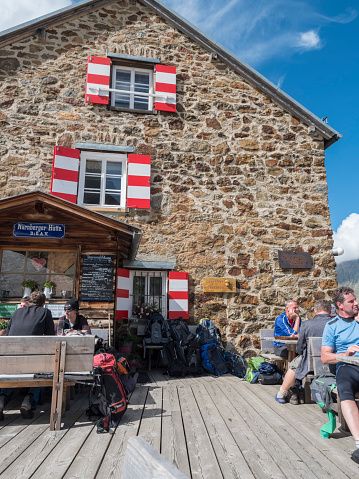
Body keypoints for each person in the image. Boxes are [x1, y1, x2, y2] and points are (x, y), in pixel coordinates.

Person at [0, 291, 55, 420]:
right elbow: (51, 339)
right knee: (46, 370)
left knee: (15, 371)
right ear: (43, 304)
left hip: (11, 361)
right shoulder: (45, 312)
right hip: (32, 362)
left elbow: (8, 336)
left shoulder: (17, 312)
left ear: (29, 302)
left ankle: (1, 400)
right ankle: (28, 400)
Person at [321, 286, 359, 464]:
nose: (356, 303)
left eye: (355, 300)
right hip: (347, 367)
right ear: (340, 305)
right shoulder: (332, 326)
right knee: (345, 389)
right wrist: (346, 354)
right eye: (351, 301)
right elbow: (325, 357)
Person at [275, 299, 332, 404]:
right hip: (335, 362)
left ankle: (282, 393)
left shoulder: (307, 324)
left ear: (315, 311)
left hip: (311, 364)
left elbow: (300, 348)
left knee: (294, 365)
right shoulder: (338, 323)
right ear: (331, 310)